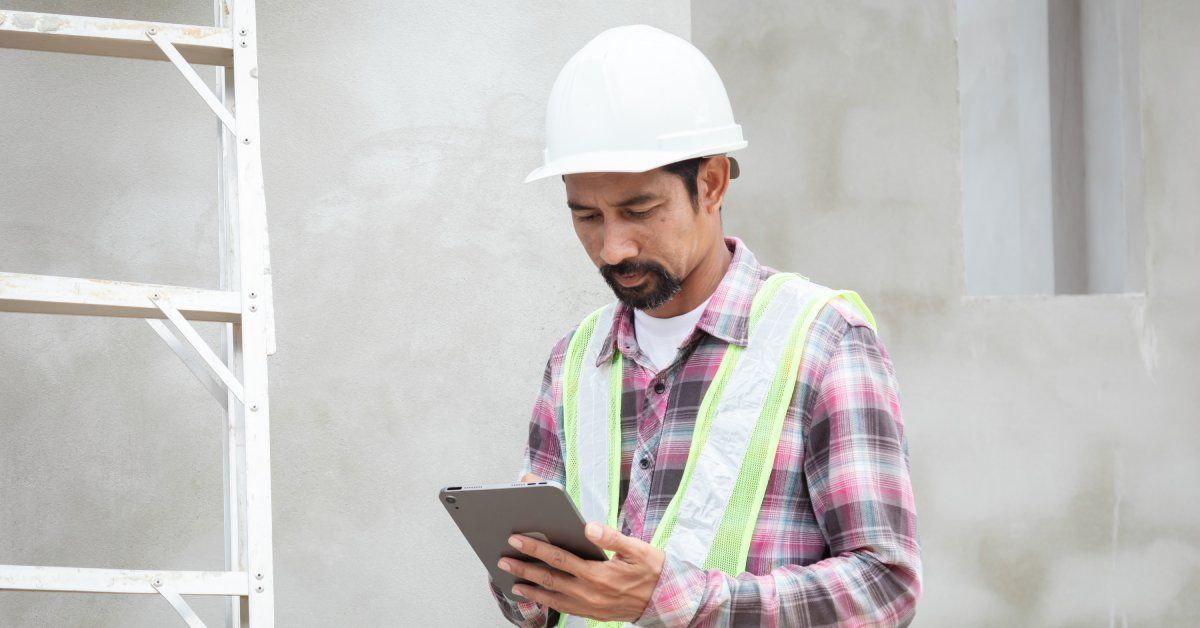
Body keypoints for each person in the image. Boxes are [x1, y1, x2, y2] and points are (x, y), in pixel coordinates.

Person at [489, 24, 921, 627]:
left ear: (712, 183)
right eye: (587, 216)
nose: (613, 248)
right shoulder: (573, 361)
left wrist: (677, 600)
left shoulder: (824, 342)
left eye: (640, 210)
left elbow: (884, 587)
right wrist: (533, 584)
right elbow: (533, 606)